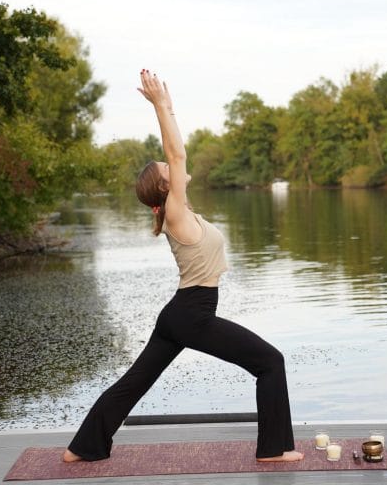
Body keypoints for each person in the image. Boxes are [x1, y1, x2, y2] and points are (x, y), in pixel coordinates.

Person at [62, 70, 303, 463]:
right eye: (166, 169)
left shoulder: (182, 211)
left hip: (180, 314)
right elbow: (177, 154)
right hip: (193, 315)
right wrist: (158, 107)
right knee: (270, 362)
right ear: (165, 186)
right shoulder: (174, 211)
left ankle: (82, 448)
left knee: (135, 382)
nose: (171, 165)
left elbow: (175, 152)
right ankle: (273, 450)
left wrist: (169, 108)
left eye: (166, 163)